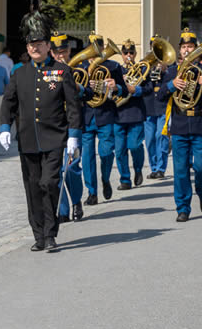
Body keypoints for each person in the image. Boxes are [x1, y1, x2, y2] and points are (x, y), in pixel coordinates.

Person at [0, 4, 81, 252]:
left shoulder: (62, 71)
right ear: (27, 48)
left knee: (49, 183)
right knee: (32, 188)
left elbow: (73, 107)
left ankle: (51, 231)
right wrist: (4, 127)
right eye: (30, 44)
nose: (35, 47)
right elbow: (8, 102)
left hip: (55, 139)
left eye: (39, 43)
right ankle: (39, 235)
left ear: (48, 46)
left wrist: (73, 136)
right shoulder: (19, 74)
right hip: (28, 141)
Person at [158, 28, 202, 222]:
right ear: (179, 50)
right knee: (180, 169)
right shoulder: (172, 71)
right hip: (179, 124)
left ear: (197, 49)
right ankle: (183, 208)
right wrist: (171, 85)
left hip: (200, 123)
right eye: (184, 47)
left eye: (191, 46)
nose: (187, 50)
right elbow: (160, 97)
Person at [79, 32, 125, 205]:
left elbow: (125, 90)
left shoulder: (112, 66)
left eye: (98, 48)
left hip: (105, 114)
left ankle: (105, 178)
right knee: (87, 157)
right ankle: (92, 192)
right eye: (91, 49)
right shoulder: (80, 67)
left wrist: (116, 87)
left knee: (106, 153)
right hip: (86, 116)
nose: (94, 53)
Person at [49, 32, 85, 223]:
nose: (59, 56)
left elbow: (90, 92)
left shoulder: (80, 67)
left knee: (71, 167)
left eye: (62, 51)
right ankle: (62, 210)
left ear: (69, 50)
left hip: (73, 125)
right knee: (57, 168)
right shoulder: (49, 70)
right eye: (56, 53)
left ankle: (77, 201)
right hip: (54, 125)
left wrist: (80, 88)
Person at [114, 40, 151, 191]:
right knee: (120, 149)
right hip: (118, 114)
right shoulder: (116, 70)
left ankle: (138, 168)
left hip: (135, 112)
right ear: (122, 55)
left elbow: (149, 89)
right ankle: (125, 179)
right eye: (125, 53)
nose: (128, 55)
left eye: (131, 53)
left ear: (135, 54)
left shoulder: (142, 69)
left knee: (135, 146)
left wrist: (135, 90)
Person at [143, 35, 169, 180]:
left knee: (161, 136)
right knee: (150, 139)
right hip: (148, 106)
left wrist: (163, 70)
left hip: (163, 106)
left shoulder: (168, 65)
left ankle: (161, 168)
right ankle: (153, 167)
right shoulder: (145, 63)